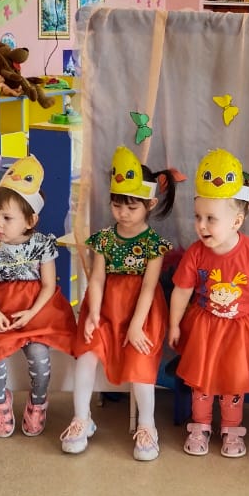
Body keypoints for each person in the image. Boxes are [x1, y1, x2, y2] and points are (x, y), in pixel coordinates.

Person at [61, 147, 182, 460]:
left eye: (131, 207)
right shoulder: (104, 238)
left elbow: (149, 288)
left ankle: (147, 426)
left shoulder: (153, 245)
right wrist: (92, 315)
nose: (123, 213)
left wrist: (136, 326)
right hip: (105, 308)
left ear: (149, 204)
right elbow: (97, 279)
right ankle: (81, 419)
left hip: (141, 314)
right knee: (86, 355)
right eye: (117, 205)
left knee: (141, 366)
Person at [168, 148, 249, 458]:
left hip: (240, 331)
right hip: (204, 327)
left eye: (211, 219)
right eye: (198, 217)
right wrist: (174, 324)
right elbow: (181, 290)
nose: (201, 225)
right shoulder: (195, 253)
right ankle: (200, 425)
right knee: (201, 381)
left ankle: (232, 429)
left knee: (233, 383)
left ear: (236, 221)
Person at [0, 155, 77, 437]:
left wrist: (31, 314)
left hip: (37, 311)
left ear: (30, 220)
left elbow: (48, 285)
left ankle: (38, 403)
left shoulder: (42, 245)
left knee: (40, 356)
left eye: (7, 218)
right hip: (1, 309)